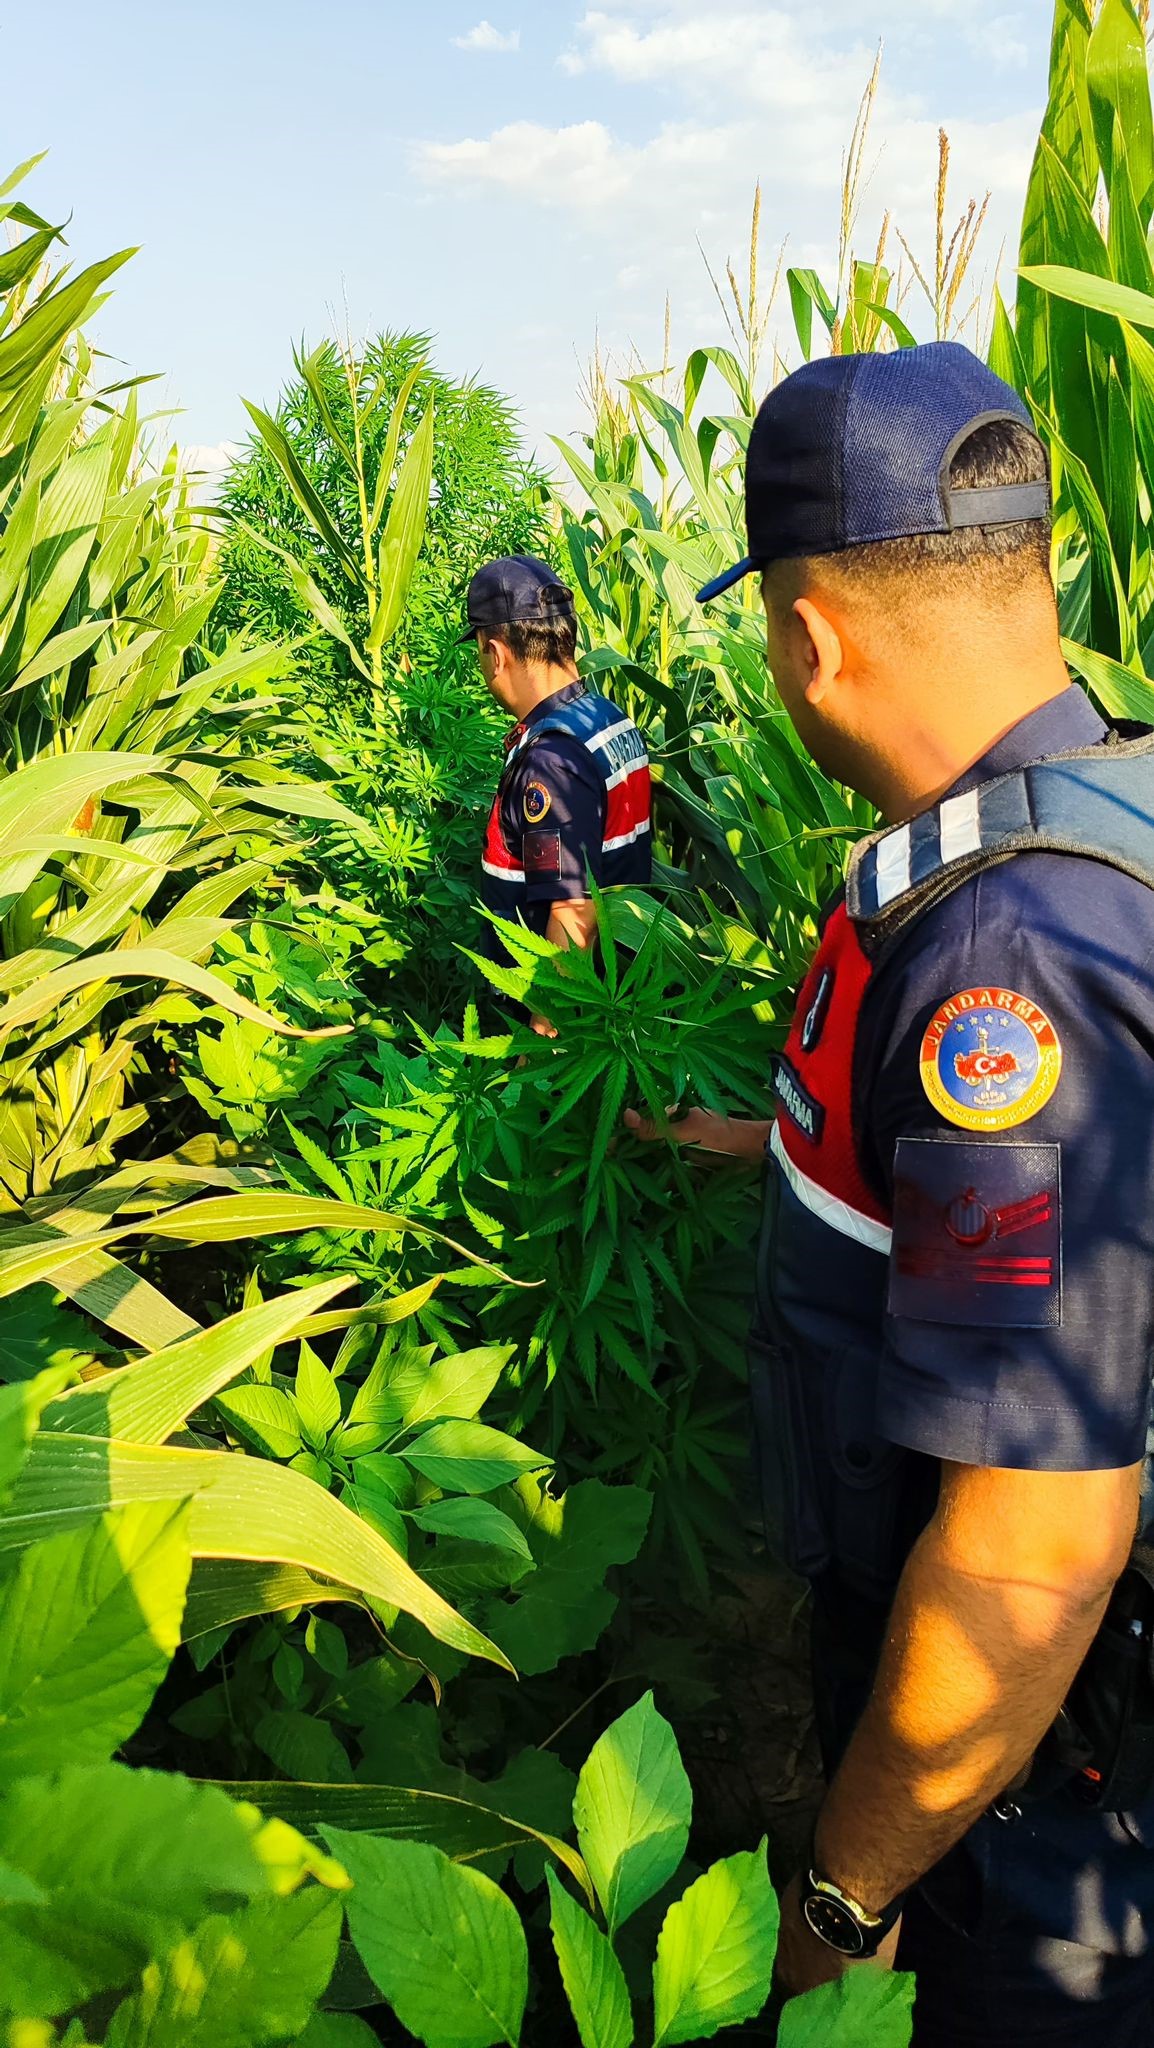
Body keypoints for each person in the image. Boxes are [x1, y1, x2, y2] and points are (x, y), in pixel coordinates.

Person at [627, 343, 1154, 2043]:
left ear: (809, 636)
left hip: (1024, 1818)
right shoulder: (1062, 803)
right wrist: (773, 1140)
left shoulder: (1006, 961)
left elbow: (1024, 1552)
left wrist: (841, 1904)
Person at [463, 555, 651, 1029]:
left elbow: (572, 914)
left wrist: (543, 1035)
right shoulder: (606, 717)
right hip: (614, 989)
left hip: (558, 1006)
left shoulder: (553, 759)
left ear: (497, 652)